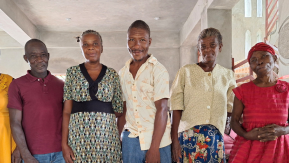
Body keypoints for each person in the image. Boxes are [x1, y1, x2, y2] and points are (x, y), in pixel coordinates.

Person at [170, 28, 236, 163]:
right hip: (188, 137)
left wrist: (226, 127)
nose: (207, 50)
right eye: (203, 47)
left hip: (215, 139)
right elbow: (175, 107)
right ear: (199, 49)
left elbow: (231, 107)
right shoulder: (185, 72)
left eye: (212, 45)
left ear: (220, 47)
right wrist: (174, 140)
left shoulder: (228, 75)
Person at [61, 30, 123, 163]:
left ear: (101, 47)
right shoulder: (72, 73)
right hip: (78, 139)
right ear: (81, 48)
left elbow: (119, 110)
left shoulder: (112, 74)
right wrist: (64, 144)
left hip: (107, 140)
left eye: (95, 43)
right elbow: (66, 112)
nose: (90, 47)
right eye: (85, 44)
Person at [119, 20, 171, 163]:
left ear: (149, 41)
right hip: (131, 141)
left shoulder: (158, 70)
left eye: (142, 40)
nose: (137, 46)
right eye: (131, 40)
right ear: (127, 41)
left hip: (158, 142)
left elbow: (163, 109)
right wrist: (117, 139)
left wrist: (154, 148)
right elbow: (124, 110)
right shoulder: (122, 73)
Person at [229, 42, 289, 163]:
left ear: (274, 58)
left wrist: (283, 130)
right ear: (251, 66)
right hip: (250, 149)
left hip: (279, 149)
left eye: (264, 56)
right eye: (254, 60)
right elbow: (234, 121)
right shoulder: (242, 91)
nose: (259, 61)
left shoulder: (287, 89)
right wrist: (246, 135)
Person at [8, 39, 65, 163]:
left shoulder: (61, 85)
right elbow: (15, 122)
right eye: (33, 56)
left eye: (43, 55)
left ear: (48, 56)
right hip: (33, 155)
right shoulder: (17, 85)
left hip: (61, 154)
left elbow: (67, 118)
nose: (39, 60)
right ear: (26, 58)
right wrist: (26, 155)